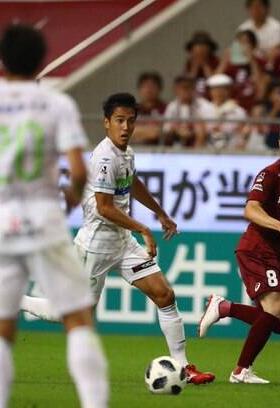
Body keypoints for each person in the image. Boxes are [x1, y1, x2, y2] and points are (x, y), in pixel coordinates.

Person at [0, 24, 107, 408]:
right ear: (41, 60)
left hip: (0, 222)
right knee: (77, 321)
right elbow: (77, 170)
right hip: (44, 218)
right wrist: (72, 198)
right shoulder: (56, 105)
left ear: (0, 60)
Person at [21, 92, 215, 385]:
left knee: (165, 295)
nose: (126, 127)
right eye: (120, 121)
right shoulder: (103, 158)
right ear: (106, 123)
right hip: (95, 247)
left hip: (122, 243)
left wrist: (160, 213)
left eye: (131, 121)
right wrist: (144, 228)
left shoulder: (126, 153)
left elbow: (132, 183)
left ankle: (183, 367)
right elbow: (104, 207)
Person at [198, 122, 280, 384]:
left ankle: (225, 308)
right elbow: (251, 209)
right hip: (256, 248)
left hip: (276, 254)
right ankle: (241, 371)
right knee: (274, 307)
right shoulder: (271, 174)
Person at [217, 30, 266, 111]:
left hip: (252, 104)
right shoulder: (230, 63)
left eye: (246, 42)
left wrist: (252, 62)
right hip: (232, 104)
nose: (242, 46)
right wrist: (225, 61)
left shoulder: (260, 62)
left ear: (253, 46)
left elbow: (260, 87)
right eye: (239, 42)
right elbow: (215, 80)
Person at [162, 75, 214, 147]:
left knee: (200, 127)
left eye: (191, 88)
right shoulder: (172, 106)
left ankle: (197, 155)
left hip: (200, 141)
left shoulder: (205, 105)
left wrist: (192, 130)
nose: (188, 91)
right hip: (177, 139)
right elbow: (166, 128)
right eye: (184, 88)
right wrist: (177, 129)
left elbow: (210, 129)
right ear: (176, 89)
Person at [205, 74, 249, 149]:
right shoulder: (204, 109)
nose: (218, 92)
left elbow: (244, 133)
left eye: (222, 89)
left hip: (231, 152)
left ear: (228, 90)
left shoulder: (238, 111)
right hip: (209, 151)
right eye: (215, 89)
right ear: (210, 91)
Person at [132, 71, 166, 145]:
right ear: (139, 89)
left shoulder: (166, 108)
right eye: (145, 86)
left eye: (152, 86)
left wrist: (140, 132)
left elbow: (164, 132)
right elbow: (129, 132)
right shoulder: (132, 109)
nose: (149, 90)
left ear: (159, 89)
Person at [183, 31, 220, 97]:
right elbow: (187, 84)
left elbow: (215, 82)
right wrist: (195, 68)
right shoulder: (190, 62)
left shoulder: (215, 61)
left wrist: (205, 65)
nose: (200, 49)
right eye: (197, 46)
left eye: (203, 45)